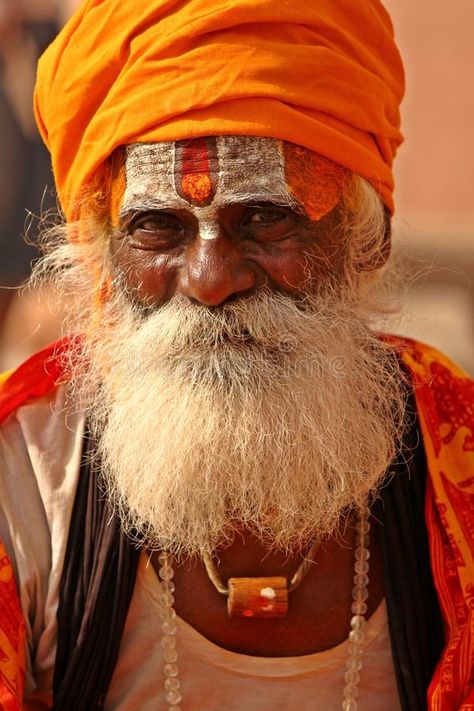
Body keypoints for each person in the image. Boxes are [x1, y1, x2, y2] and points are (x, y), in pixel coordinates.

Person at [0, 0, 473, 709]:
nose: (212, 279)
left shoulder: (456, 465)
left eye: (265, 218)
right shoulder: (27, 474)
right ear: (103, 262)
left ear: (364, 241)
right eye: (158, 228)